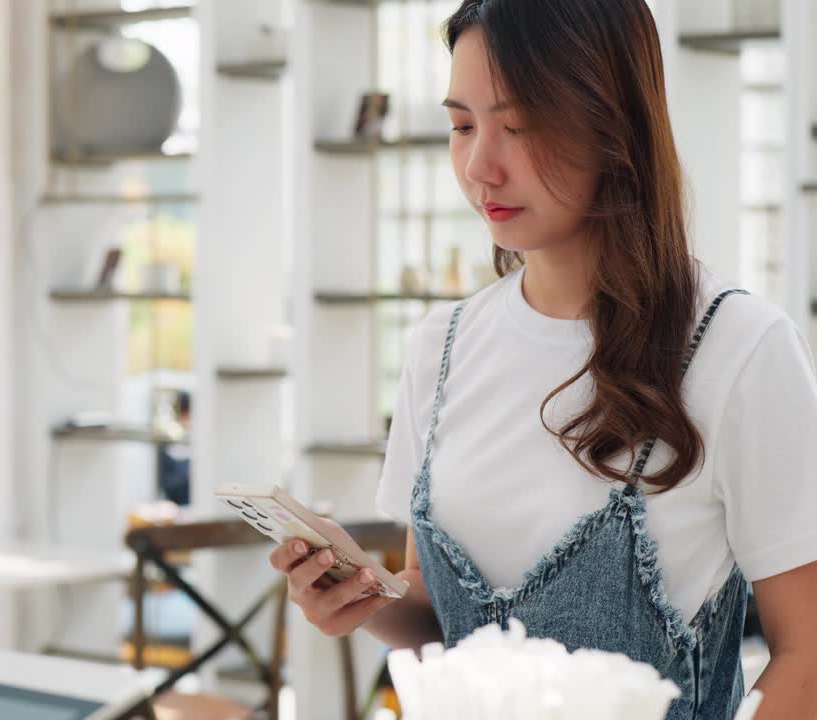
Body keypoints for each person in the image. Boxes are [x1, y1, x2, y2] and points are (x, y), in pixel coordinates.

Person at [269, 2, 817, 718]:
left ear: (612, 120)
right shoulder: (442, 346)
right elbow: (438, 621)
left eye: (518, 126)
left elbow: (806, 650)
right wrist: (364, 595)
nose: (478, 164)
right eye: (462, 125)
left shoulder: (738, 347)